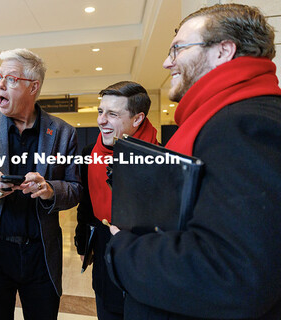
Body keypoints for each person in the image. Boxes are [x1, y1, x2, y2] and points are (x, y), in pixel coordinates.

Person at [105, 3, 281, 319]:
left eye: (177, 50)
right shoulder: (226, 118)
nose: (166, 62)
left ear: (223, 51)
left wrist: (123, 248)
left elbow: (230, 275)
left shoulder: (243, 127)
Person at [0, 48, 82, 320]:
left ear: (33, 87)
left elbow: (75, 189)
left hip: (41, 254)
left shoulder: (62, 133)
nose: (0, 83)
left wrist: (49, 190)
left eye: (10, 79)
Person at [75, 81, 158, 319]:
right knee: (107, 307)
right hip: (103, 244)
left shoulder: (160, 156)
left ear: (138, 119)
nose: (101, 120)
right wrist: (83, 242)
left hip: (143, 252)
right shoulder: (89, 153)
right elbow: (86, 203)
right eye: (101, 112)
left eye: (112, 114)